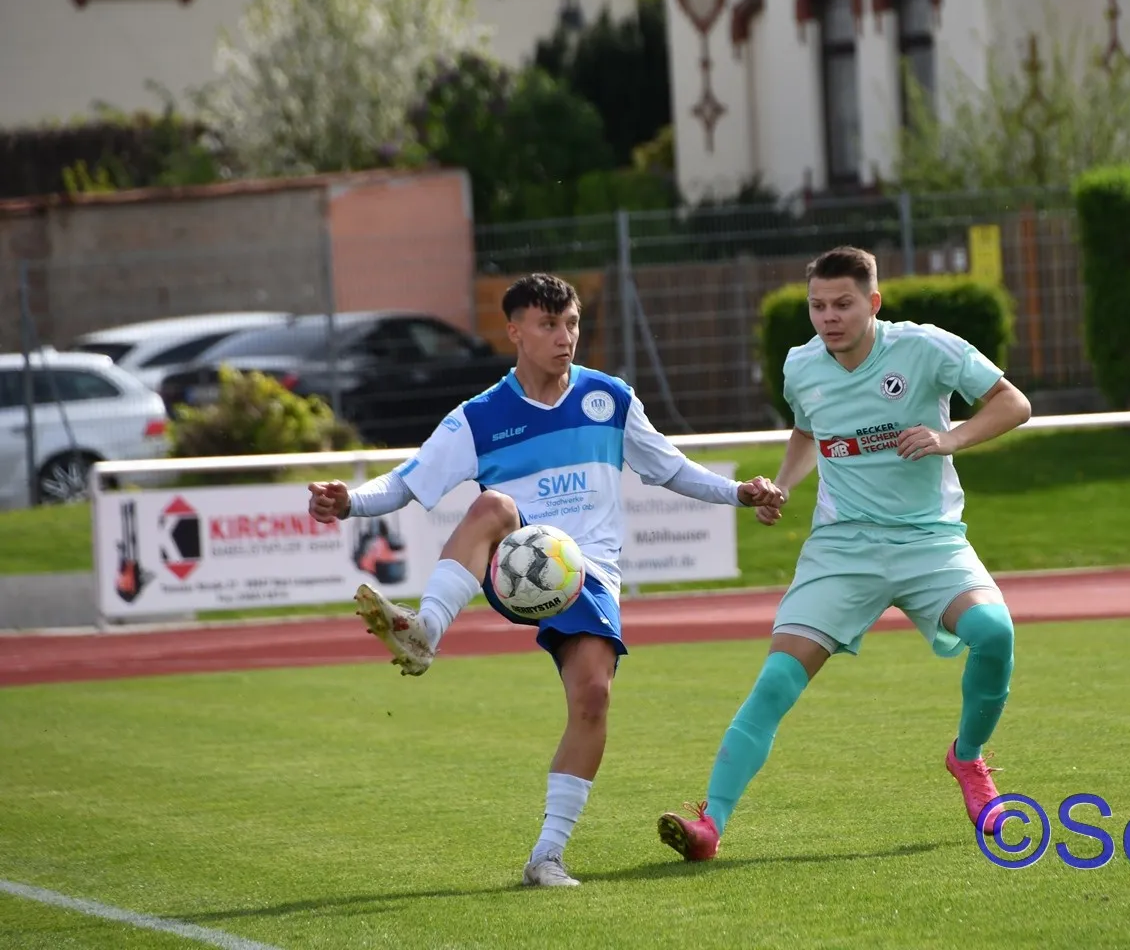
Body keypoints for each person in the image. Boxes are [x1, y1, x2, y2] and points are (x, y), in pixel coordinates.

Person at [306, 273, 785, 888]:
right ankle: (427, 629)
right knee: (492, 505)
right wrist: (349, 501)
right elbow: (406, 480)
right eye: (549, 325)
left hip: (589, 573)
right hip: (516, 561)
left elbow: (669, 468)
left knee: (593, 698)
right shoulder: (478, 417)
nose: (565, 338)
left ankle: (546, 857)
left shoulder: (608, 397)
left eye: (572, 324)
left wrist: (739, 492)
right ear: (514, 332)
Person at [656, 246, 1033, 862]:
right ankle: (710, 825)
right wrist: (783, 485)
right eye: (817, 306)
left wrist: (948, 439)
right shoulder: (801, 365)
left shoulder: (925, 347)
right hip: (843, 547)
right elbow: (809, 431)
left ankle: (967, 759)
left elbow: (1013, 402)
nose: (828, 317)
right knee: (777, 679)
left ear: (873, 303)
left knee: (994, 632)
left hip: (927, 539)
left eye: (842, 304)